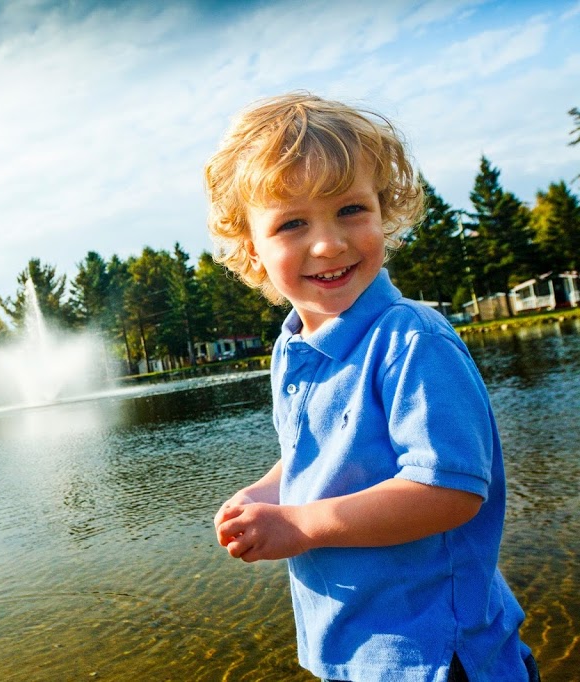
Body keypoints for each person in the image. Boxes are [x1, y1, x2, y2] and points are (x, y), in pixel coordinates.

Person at [204, 93, 539, 682]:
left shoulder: (411, 340)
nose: (329, 243)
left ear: (385, 210)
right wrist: (264, 495)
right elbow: (311, 457)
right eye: (292, 223)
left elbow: (449, 491)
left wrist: (301, 526)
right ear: (251, 247)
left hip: (435, 652)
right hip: (353, 646)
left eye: (351, 210)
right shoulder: (293, 348)